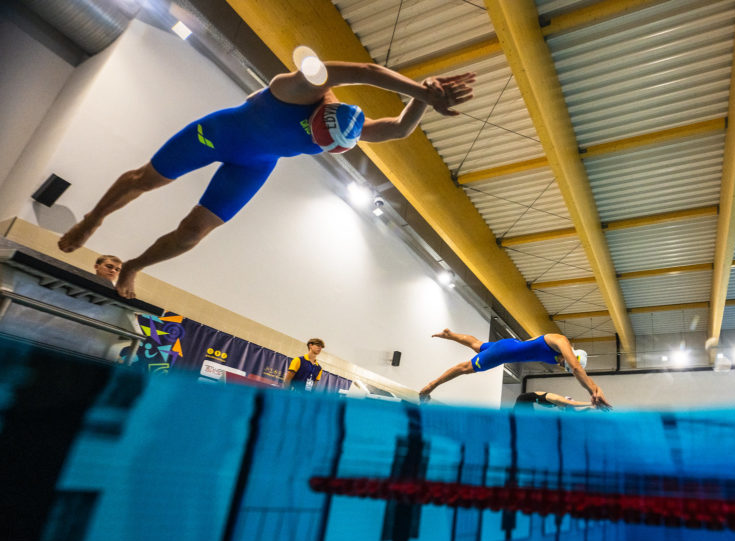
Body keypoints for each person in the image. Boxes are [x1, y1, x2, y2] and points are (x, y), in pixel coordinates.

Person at [57, 59, 475, 299]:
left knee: (192, 234)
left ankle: (133, 265)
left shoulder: (346, 127)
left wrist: (424, 101)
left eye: (322, 146)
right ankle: (93, 218)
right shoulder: (300, 88)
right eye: (315, 135)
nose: (314, 143)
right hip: (219, 133)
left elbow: (397, 129)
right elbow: (365, 70)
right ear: (319, 115)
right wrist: (422, 90)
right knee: (144, 180)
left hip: (255, 164)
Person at [419, 329, 611, 407]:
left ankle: (450, 334)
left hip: (510, 345)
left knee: (477, 345)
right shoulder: (560, 341)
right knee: (466, 367)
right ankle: (430, 386)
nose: (562, 364)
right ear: (572, 354)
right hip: (505, 352)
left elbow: (531, 344)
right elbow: (576, 368)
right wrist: (594, 390)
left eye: (564, 366)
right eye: (565, 362)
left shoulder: (557, 358)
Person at [514, 390, 599, 411]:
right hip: (523, 399)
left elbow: (576, 412)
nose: (562, 410)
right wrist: (591, 403)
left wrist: (590, 408)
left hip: (529, 402)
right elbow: (574, 404)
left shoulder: (558, 404)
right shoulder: (557, 399)